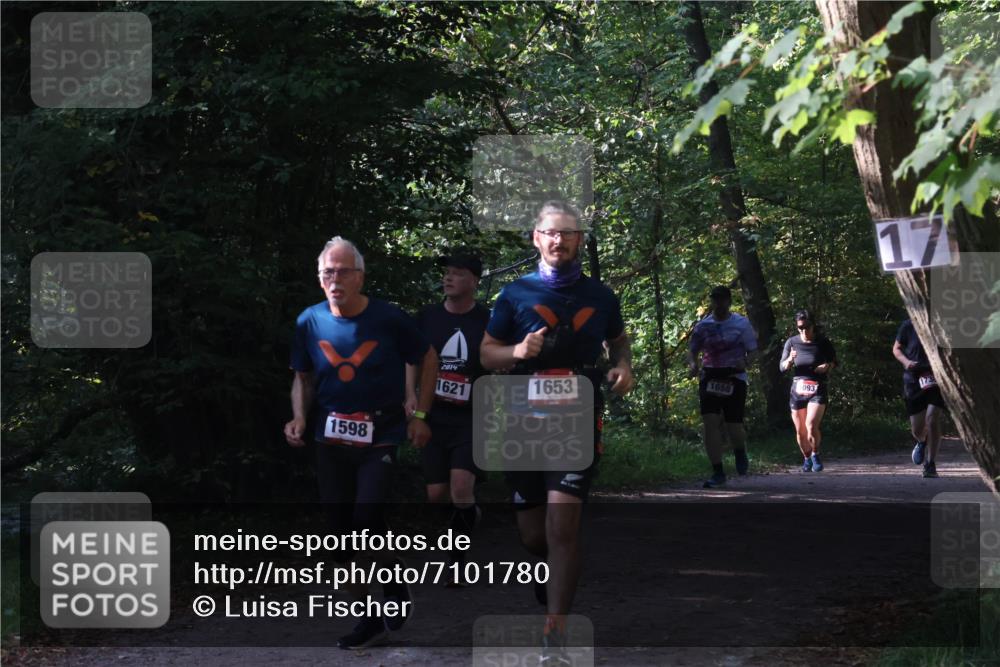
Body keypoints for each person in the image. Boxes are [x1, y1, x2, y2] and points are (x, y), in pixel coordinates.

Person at [480, 200, 634, 663]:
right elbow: (487, 355)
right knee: (533, 535)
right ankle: (546, 572)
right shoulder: (514, 294)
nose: (559, 240)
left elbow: (619, 339)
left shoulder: (601, 296)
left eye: (568, 233)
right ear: (536, 238)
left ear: (579, 241)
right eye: (550, 233)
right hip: (523, 416)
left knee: (562, 524)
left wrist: (623, 366)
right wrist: (517, 352)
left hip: (577, 416)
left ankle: (555, 634)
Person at [284, 236, 438, 649]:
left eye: (343, 272)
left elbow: (428, 358)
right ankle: (374, 606)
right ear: (320, 279)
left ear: (360, 276)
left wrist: (420, 414)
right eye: (327, 273)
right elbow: (302, 378)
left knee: (365, 523)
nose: (335, 280)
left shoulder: (388, 319)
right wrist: (299, 416)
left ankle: (376, 608)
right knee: (338, 540)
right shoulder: (309, 321)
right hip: (329, 438)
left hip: (380, 436)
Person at [406, 252, 490, 582]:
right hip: (432, 416)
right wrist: (410, 394)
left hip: (472, 417)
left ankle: (455, 560)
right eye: (446, 273)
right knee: (436, 495)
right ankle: (471, 514)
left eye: (457, 273)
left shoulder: (489, 319)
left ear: (474, 281)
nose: (448, 278)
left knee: (459, 487)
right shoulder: (427, 317)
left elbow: (501, 356)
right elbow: (411, 358)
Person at [687, 285, 759, 488]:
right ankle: (718, 471)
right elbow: (692, 350)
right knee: (710, 422)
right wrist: (693, 365)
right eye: (715, 299)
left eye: (722, 299)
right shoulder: (703, 326)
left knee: (733, 425)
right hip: (710, 377)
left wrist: (744, 363)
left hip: (734, 378)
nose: (718, 303)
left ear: (729, 301)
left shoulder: (741, 324)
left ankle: (740, 450)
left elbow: (753, 352)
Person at [779, 310, 837, 472]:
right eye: (800, 327)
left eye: (806, 327)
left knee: (811, 425)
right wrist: (790, 360)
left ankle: (816, 454)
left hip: (817, 388)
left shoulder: (823, 342)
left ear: (813, 326)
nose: (803, 330)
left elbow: (834, 361)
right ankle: (806, 457)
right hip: (797, 389)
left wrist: (827, 366)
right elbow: (782, 367)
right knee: (800, 430)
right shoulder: (791, 342)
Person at [893, 318, 946, 478]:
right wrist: (907, 362)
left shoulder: (945, 324)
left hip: (937, 378)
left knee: (932, 419)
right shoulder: (908, 325)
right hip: (914, 380)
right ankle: (922, 441)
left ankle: (930, 464)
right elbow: (896, 349)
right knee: (917, 429)